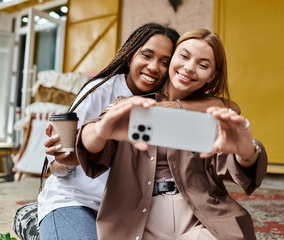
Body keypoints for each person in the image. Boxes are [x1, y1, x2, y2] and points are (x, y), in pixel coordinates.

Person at [36, 24, 228, 239]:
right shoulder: (101, 90)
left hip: (125, 210)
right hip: (76, 201)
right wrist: (70, 159)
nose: (154, 67)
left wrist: (171, 107)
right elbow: (57, 169)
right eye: (146, 55)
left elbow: (225, 106)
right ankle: (34, 222)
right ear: (129, 56)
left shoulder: (164, 102)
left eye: (164, 62)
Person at [76, 29, 268, 240]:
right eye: (184, 56)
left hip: (200, 218)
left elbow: (237, 165)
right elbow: (91, 146)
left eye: (203, 65)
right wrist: (100, 130)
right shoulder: (131, 105)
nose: (189, 68)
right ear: (172, 58)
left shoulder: (212, 114)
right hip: (136, 220)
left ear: (212, 75)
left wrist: (246, 151)